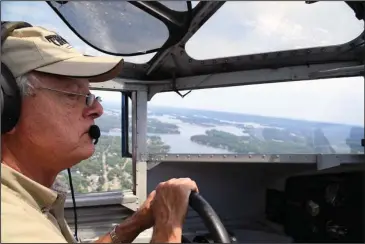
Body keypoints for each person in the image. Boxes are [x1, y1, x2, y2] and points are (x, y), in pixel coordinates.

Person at [1, 24, 198, 243]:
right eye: (73, 94)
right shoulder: (13, 224)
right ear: (7, 107)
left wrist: (136, 223)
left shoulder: (30, 202)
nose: (97, 109)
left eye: (91, 96)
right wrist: (169, 223)